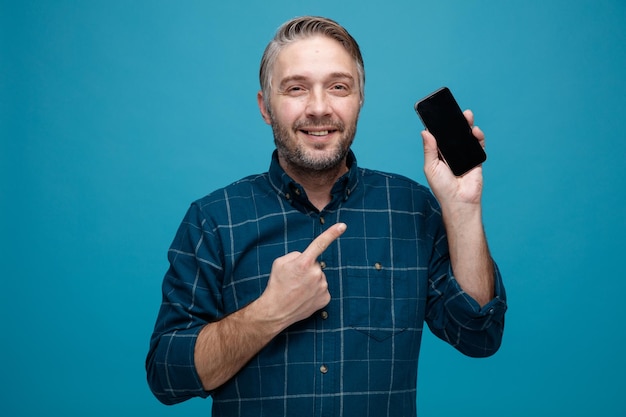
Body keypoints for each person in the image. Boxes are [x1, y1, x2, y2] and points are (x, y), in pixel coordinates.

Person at [146, 15, 507, 416]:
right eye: (296, 88)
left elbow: (479, 336)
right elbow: (167, 376)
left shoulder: (413, 209)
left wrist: (463, 208)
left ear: (360, 99)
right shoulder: (213, 219)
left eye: (338, 87)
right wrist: (269, 312)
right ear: (266, 107)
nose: (319, 108)